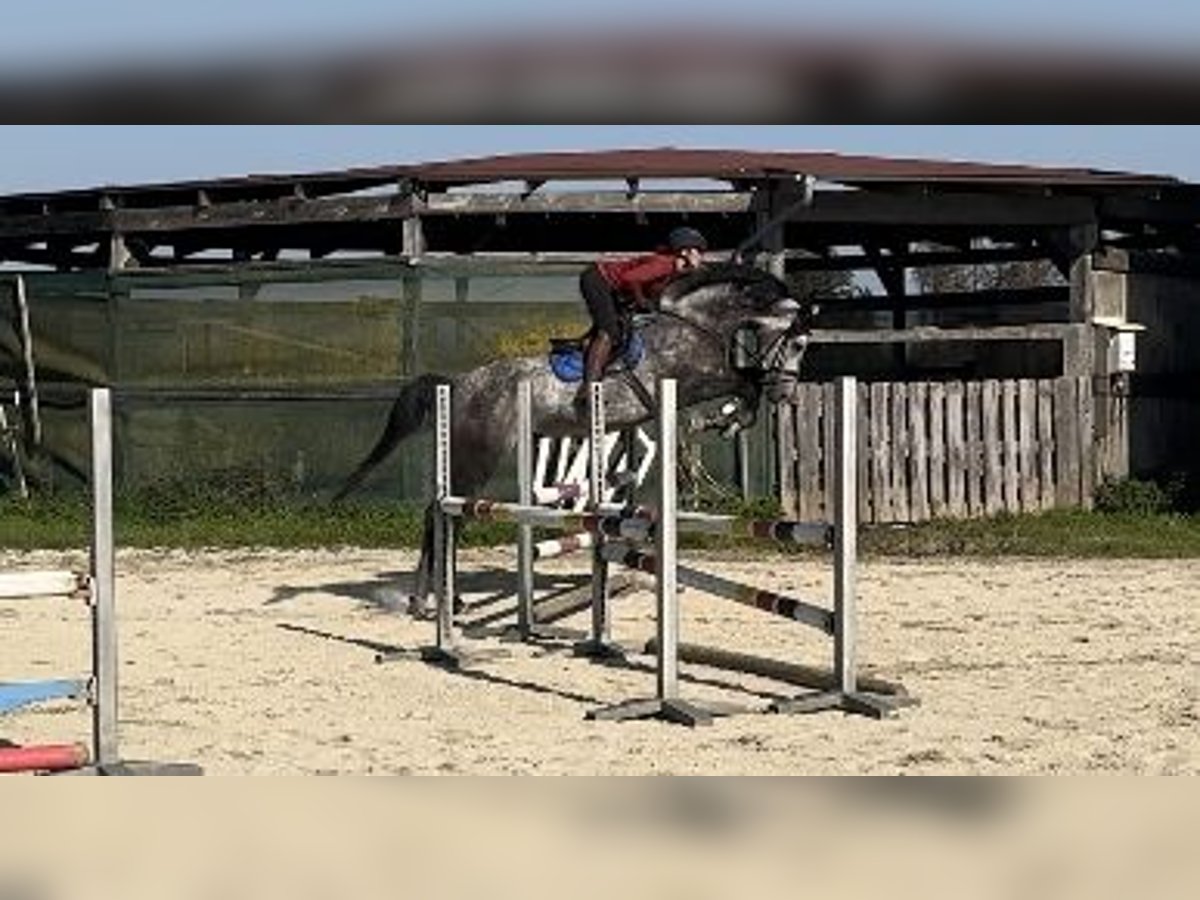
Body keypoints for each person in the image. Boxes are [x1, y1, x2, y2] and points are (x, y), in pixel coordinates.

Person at [575, 227, 707, 408]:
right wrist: (641, 300)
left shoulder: (673, 271)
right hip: (598, 279)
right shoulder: (664, 264)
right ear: (685, 252)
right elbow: (630, 279)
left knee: (621, 330)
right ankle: (588, 391)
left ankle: (594, 362)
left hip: (609, 287)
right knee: (609, 332)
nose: (701, 257)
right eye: (698, 252)